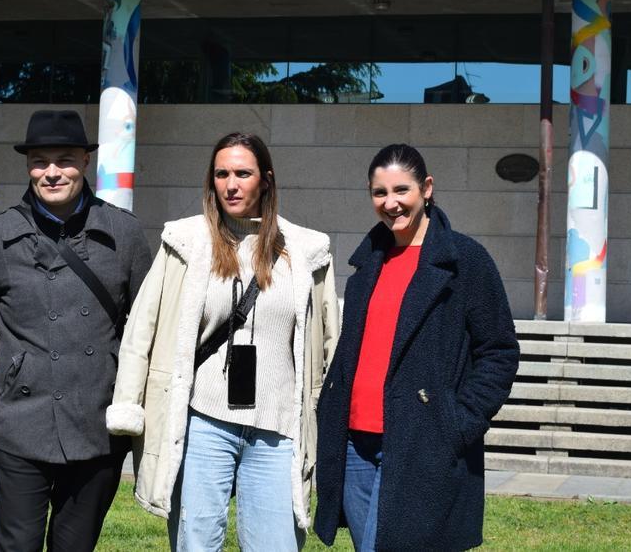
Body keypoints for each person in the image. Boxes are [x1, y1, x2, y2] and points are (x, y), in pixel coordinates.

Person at [107, 131, 340, 552]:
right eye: (222, 174)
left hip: (277, 428)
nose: (231, 184)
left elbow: (330, 344)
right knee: (196, 544)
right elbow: (142, 327)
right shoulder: (185, 242)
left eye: (243, 173)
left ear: (265, 180)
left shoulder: (307, 251)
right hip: (202, 421)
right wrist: (128, 403)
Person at [314, 144, 520, 552]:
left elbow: (499, 351)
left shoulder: (466, 260)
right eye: (379, 192)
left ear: (426, 188)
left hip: (421, 440)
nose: (390, 203)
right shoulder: (368, 262)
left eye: (401, 190)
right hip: (356, 441)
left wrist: (457, 421)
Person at [0, 109, 152, 552]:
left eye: (65, 159)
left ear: (85, 163)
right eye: (40, 161)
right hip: (20, 421)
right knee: (16, 546)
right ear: (28, 165)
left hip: (97, 422)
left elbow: (149, 328)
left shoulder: (124, 232)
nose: (52, 172)